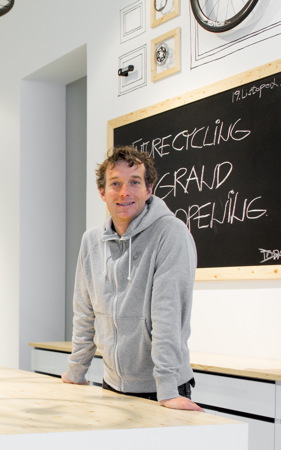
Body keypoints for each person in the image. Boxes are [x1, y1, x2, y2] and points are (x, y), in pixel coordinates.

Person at [61, 146, 203, 411]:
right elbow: (84, 311)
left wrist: (167, 390)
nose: (124, 192)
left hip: (160, 390)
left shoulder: (170, 233)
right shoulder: (91, 241)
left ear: (149, 190)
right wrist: (76, 372)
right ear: (102, 192)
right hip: (112, 385)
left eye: (134, 182)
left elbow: (168, 314)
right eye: (115, 183)